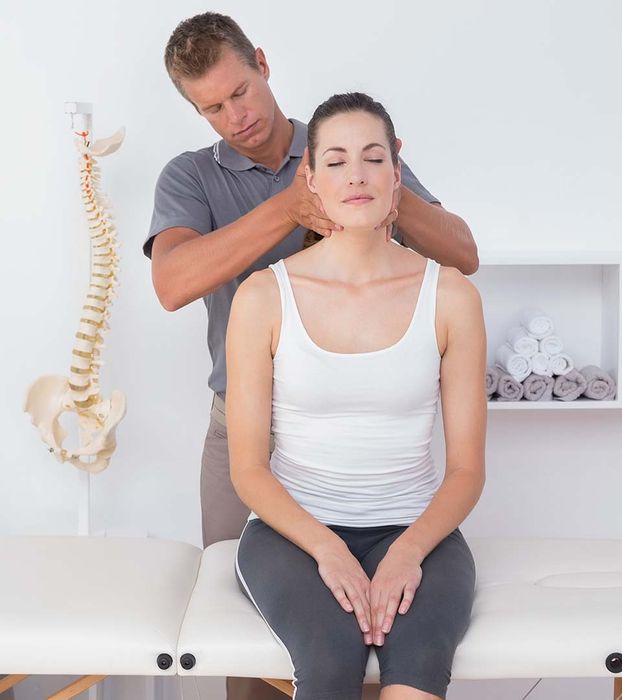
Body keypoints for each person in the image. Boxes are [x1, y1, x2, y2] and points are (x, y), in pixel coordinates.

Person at [145, 12, 479, 699]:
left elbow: (462, 254)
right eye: (212, 108)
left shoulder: (346, 144)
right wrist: (294, 204)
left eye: (240, 92)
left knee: (384, 647)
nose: (234, 115)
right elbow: (173, 285)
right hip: (245, 427)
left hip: (382, 446)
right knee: (258, 657)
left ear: (262, 63)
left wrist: (364, 181)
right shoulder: (191, 179)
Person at [227, 92, 486, 700]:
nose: (358, 176)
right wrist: (328, 550)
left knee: (419, 663)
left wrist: (407, 552)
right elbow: (247, 468)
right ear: (310, 179)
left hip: (418, 528)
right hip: (292, 533)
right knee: (331, 659)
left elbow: (468, 469)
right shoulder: (264, 297)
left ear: (398, 172)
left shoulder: (450, 296)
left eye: (373, 158)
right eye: (337, 161)